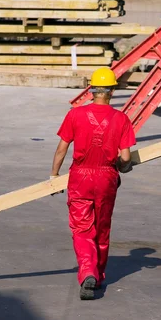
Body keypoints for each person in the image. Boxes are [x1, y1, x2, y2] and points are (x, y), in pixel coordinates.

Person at [51, 67, 136, 300]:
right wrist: (123, 166)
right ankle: (98, 274)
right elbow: (126, 158)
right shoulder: (121, 119)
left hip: (80, 177)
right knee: (102, 227)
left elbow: (61, 149)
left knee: (82, 228)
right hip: (106, 177)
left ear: (91, 90)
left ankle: (87, 271)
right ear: (111, 92)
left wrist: (54, 176)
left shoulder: (75, 115)